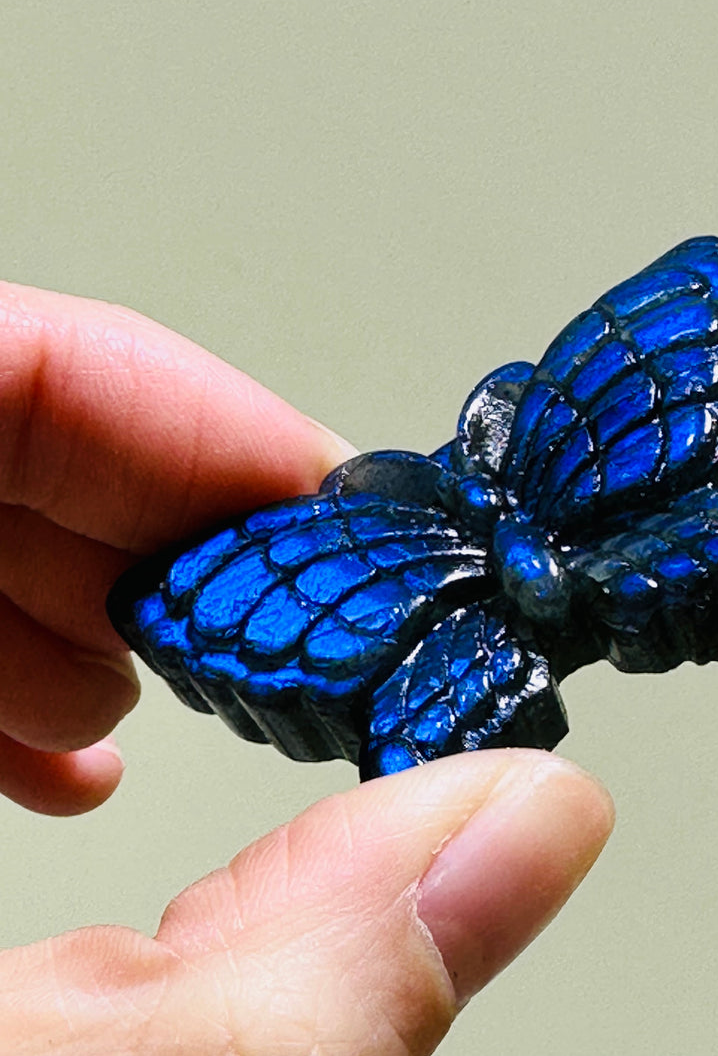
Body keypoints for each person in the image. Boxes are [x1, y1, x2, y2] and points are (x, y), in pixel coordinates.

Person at [0, 280, 614, 1053]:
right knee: (424, 778)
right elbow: (204, 601)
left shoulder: (391, 530)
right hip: (465, 626)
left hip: (488, 594)